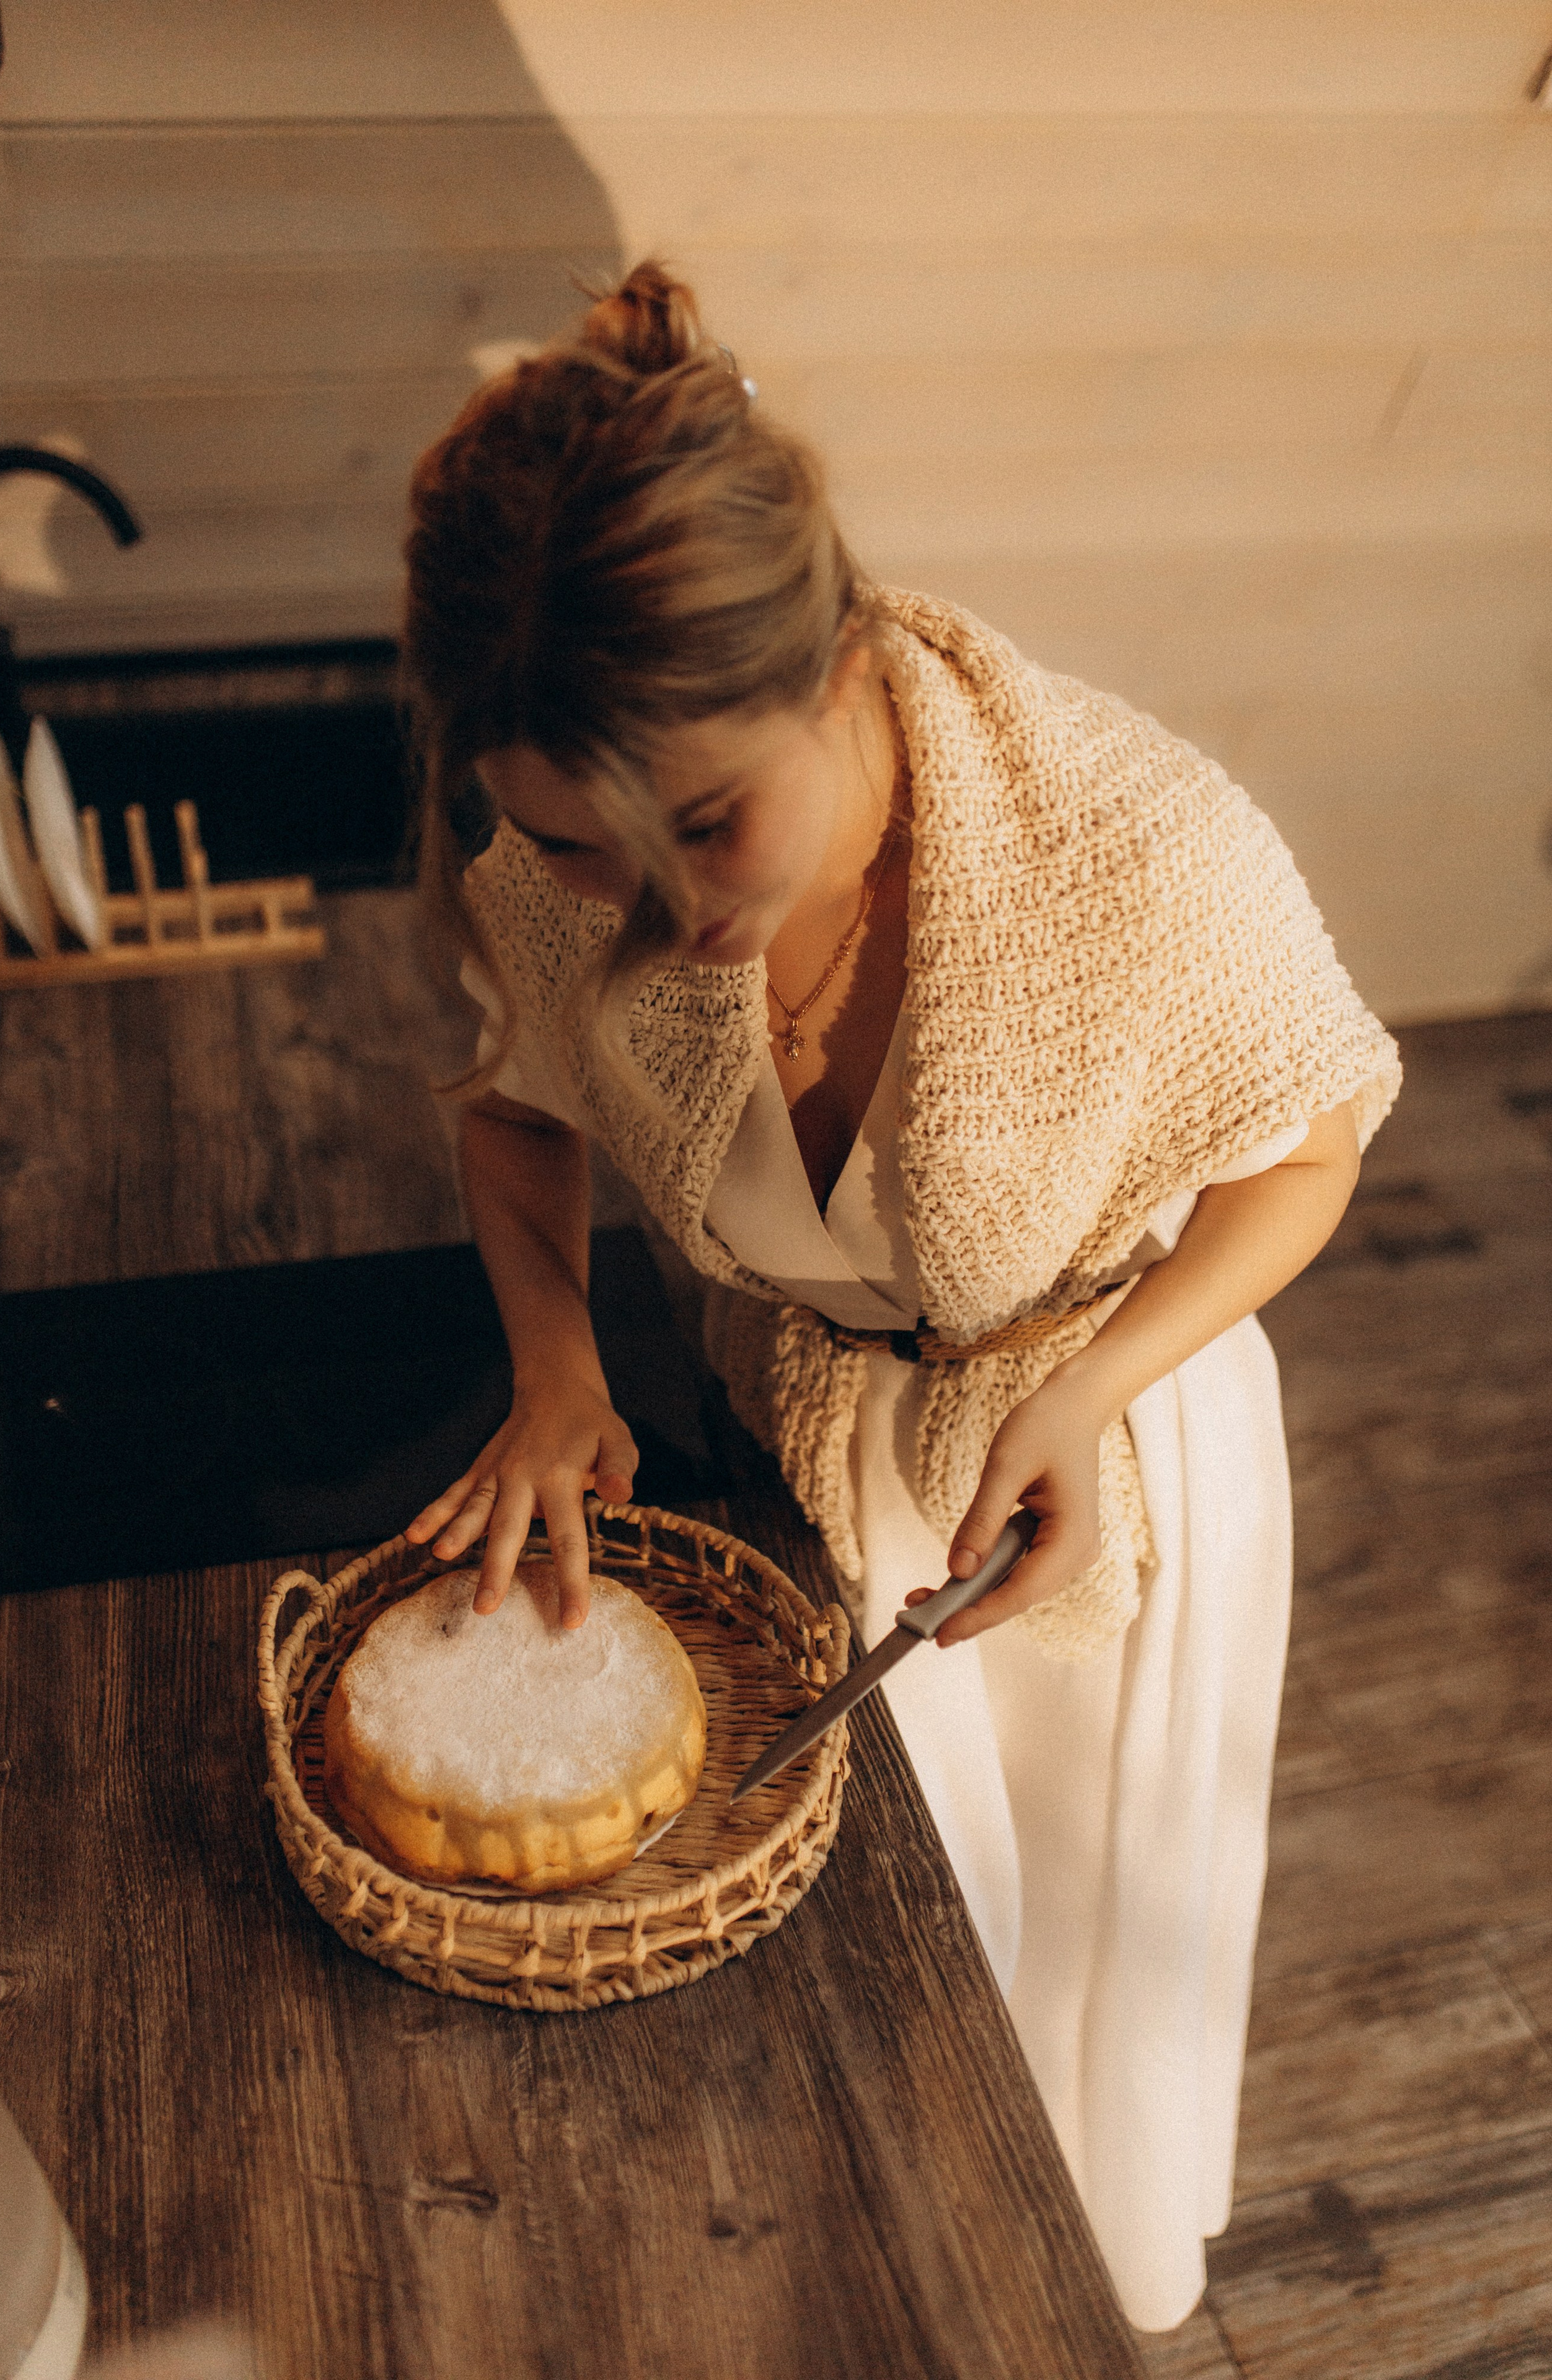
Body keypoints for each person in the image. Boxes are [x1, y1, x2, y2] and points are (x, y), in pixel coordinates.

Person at [398, 260, 1400, 2332]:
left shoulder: (1136, 852)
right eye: (582, 854)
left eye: (708, 823)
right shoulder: (543, 876)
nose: (666, 919)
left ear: (841, 653)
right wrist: (560, 1364)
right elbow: (516, 1122)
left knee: (1090, 1914)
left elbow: (1312, 1148)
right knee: (883, 1979)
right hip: (807, 1433)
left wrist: (1093, 1384)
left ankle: (1067, 2297)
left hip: (1095, 1444)